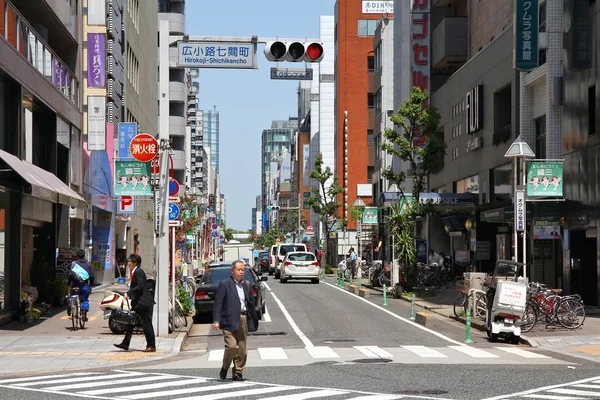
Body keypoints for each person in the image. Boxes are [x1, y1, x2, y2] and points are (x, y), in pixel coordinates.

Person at [212, 260, 258, 381]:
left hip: (243, 318)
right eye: (238, 269)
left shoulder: (246, 285)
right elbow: (218, 304)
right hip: (228, 319)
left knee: (242, 348)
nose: (241, 272)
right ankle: (225, 366)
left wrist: (254, 318)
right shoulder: (224, 284)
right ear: (232, 270)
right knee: (232, 347)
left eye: (243, 270)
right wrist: (216, 320)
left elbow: (251, 303)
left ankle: (238, 371)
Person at [113, 254, 156, 352]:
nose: (128, 263)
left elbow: (141, 285)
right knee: (130, 321)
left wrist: (129, 292)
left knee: (146, 324)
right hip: (138, 302)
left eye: (129, 261)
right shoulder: (135, 271)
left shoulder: (138, 271)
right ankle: (125, 343)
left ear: (135, 263)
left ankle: (151, 345)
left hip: (142, 303)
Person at [67, 249, 94, 321]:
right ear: (84, 255)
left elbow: (70, 275)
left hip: (75, 286)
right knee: (85, 300)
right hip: (85, 285)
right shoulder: (88, 264)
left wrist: (68, 283)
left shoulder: (74, 263)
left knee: (72, 296)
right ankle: (84, 313)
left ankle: (70, 303)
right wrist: (91, 284)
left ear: (77, 255)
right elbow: (92, 276)